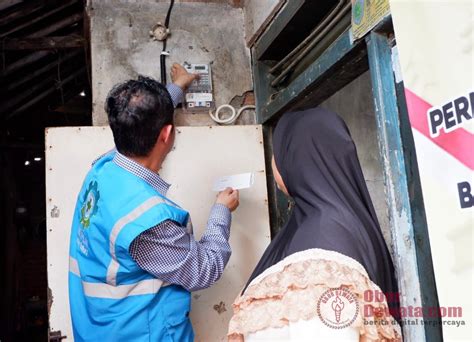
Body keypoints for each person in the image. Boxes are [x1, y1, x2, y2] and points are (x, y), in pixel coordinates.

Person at [68, 63, 239, 341]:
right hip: (140, 334)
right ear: (166, 134)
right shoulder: (147, 221)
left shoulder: (104, 167)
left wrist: (178, 87)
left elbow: (138, 120)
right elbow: (204, 270)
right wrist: (221, 211)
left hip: (101, 325)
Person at [228, 107, 402, 341]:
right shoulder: (335, 221)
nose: (273, 160)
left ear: (298, 157)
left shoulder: (324, 241)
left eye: (280, 150)